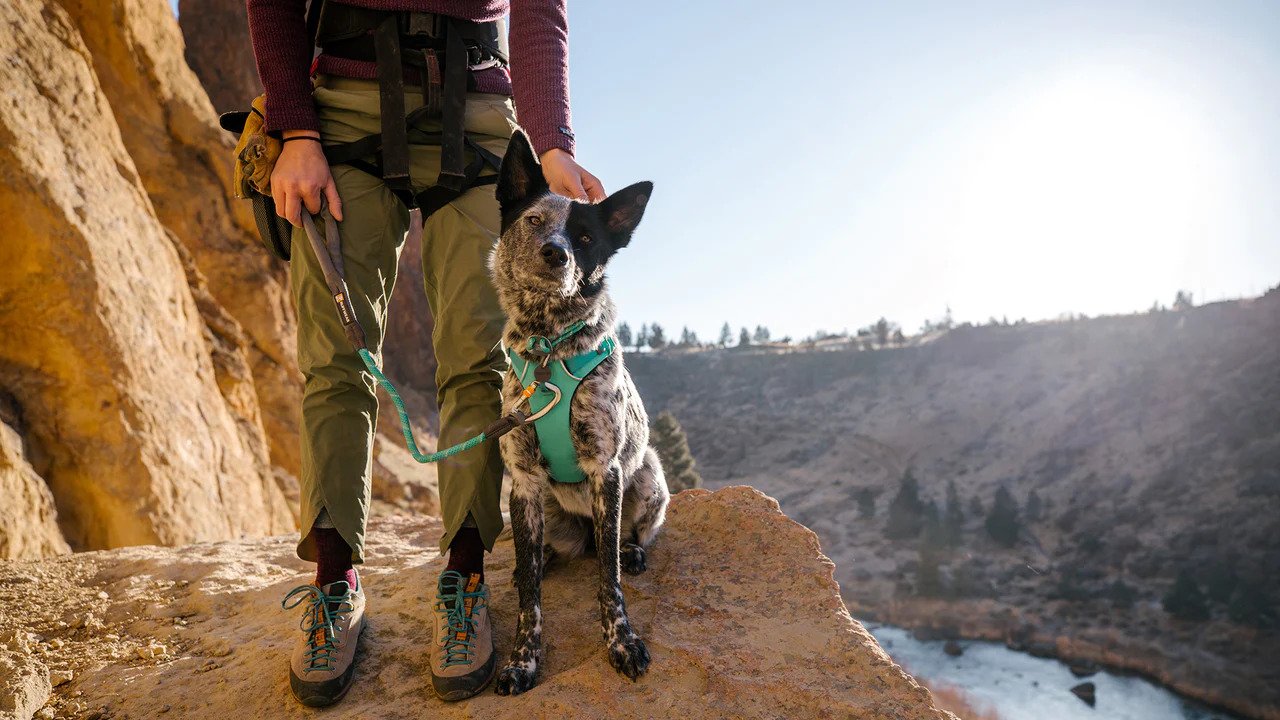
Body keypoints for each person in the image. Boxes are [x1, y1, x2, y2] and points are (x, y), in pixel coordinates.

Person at [246, 0, 605, 706]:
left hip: (476, 104)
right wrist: (292, 126)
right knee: (334, 360)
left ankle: (465, 578)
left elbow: (539, 9)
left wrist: (552, 139)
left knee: (478, 360)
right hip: (341, 109)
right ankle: (335, 585)